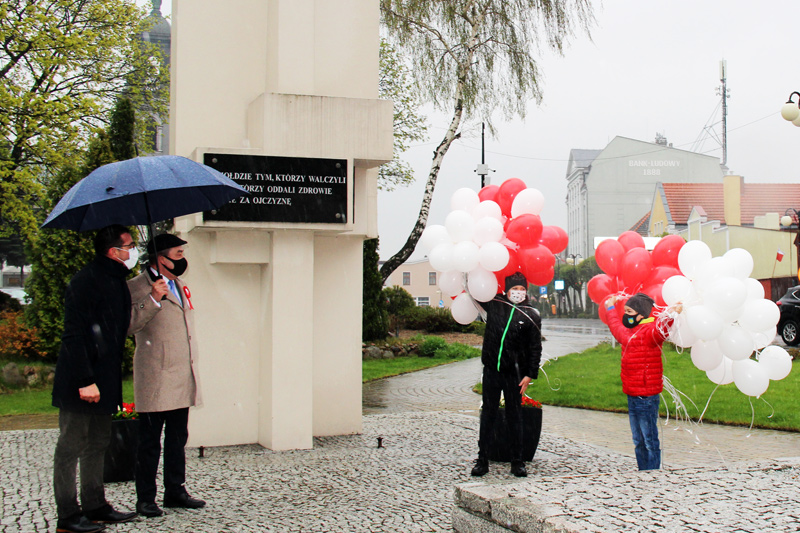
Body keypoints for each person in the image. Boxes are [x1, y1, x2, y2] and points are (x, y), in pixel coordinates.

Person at [52, 225, 146, 533]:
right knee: (70, 447)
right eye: (129, 246)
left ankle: (95, 505)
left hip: (104, 380)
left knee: (98, 443)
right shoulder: (85, 281)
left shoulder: (117, 281)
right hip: (81, 381)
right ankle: (67, 515)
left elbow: (118, 330)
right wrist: (84, 380)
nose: (133, 251)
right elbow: (74, 334)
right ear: (112, 251)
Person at [127, 233, 204, 518]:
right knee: (149, 442)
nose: (183, 259)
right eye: (178, 253)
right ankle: (145, 498)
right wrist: (153, 299)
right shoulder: (138, 286)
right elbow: (129, 325)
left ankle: (175, 490)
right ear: (162, 258)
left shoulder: (180, 285)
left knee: (177, 438)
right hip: (155, 376)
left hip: (182, 374)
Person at [471, 272, 542, 478]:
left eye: (521, 289)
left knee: (515, 417)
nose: (518, 293)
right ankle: (482, 459)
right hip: (492, 371)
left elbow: (535, 348)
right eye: (515, 289)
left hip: (515, 374)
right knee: (488, 415)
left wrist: (530, 374)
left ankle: (517, 461)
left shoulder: (531, 314)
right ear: (507, 290)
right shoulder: (495, 304)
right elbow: (475, 293)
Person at [604, 293, 680, 471]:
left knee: (649, 438)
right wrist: (610, 307)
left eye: (629, 311)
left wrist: (671, 314)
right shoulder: (627, 332)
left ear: (641, 314)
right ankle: (642, 470)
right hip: (631, 393)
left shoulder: (650, 333)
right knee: (638, 439)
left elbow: (661, 329)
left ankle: (652, 472)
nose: (626, 315)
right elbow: (615, 326)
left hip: (646, 396)